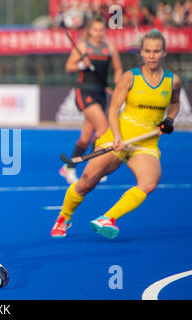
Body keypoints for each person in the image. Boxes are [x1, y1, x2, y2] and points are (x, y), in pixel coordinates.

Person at [51, 30, 181, 239]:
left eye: (156, 51)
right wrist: (118, 137)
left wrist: (169, 120)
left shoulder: (172, 81)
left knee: (149, 183)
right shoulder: (130, 77)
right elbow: (113, 109)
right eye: (147, 51)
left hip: (146, 144)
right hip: (118, 137)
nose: (152, 56)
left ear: (164, 52)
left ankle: (107, 218)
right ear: (141, 52)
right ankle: (64, 218)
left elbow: (175, 104)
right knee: (86, 182)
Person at [59, 16, 122, 184]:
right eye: (95, 30)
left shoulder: (110, 49)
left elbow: (117, 70)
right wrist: (82, 64)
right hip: (84, 92)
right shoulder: (82, 47)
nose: (99, 33)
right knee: (103, 128)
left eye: (102, 30)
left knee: (85, 138)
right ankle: (93, 167)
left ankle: (68, 166)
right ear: (90, 31)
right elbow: (68, 67)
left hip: (101, 94)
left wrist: (117, 86)